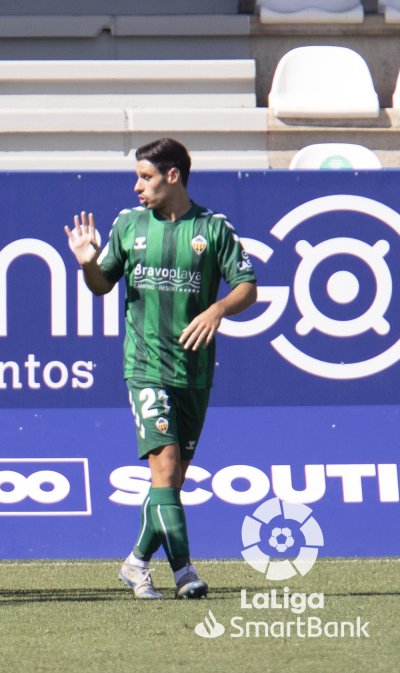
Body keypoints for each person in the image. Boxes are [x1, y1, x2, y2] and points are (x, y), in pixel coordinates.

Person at [64, 137, 257, 600]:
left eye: (145, 177)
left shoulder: (212, 228)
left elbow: (247, 286)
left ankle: (135, 562)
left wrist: (217, 310)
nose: (137, 186)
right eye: (137, 177)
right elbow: (101, 284)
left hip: (194, 372)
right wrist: (88, 263)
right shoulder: (129, 224)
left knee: (170, 481)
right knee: (165, 466)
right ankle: (185, 572)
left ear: (173, 176)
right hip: (145, 365)